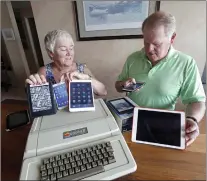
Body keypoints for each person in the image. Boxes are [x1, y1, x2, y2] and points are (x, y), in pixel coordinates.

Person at [115, 11, 206, 147]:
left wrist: (192, 119)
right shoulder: (133, 58)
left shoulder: (186, 63)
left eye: (156, 44)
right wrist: (122, 85)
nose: (149, 49)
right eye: (146, 42)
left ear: (172, 38)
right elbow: (118, 86)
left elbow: (196, 100)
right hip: (130, 125)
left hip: (164, 128)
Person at [25, 29, 107, 96]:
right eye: (63, 49)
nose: (69, 53)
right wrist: (30, 88)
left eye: (71, 48)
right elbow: (37, 99)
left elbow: (103, 92)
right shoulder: (44, 72)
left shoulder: (82, 69)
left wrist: (87, 79)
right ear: (51, 53)